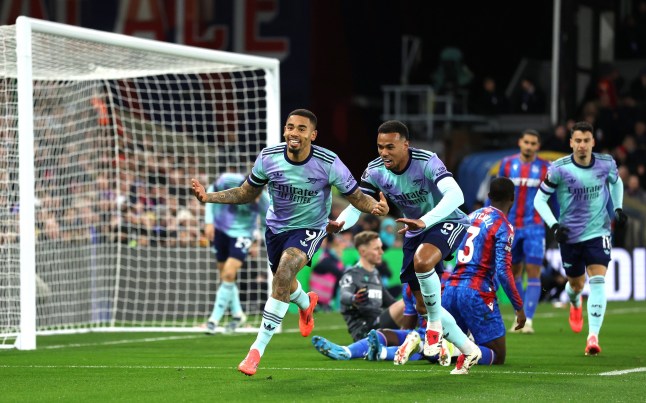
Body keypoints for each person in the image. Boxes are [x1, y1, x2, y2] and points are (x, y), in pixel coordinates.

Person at [191, 109, 389, 376]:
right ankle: (306, 303)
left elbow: (355, 196)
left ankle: (255, 352)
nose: (294, 133)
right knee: (283, 283)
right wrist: (208, 197)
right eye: (289, 127)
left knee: (284, 273)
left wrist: (375, 207)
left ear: (313, 135)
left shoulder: (328, 162)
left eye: (301, 128)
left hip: (310, 227)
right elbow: (245, 193)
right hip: (275, 229)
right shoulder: (268, 157)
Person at [328, 120, 479, 367]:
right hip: (414, 230)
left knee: (423, 262)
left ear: (405, 145)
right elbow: (359, 203)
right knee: (423, 304)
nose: (384, 153)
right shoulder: (375, 170)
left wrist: (425, 220)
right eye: (380, 147)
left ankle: (433, 330)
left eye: (390, 147)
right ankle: (469, 348)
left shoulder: (426, 161)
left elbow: (457, 196)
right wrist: (340, 222)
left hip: (447, 221)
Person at [533, 121, 627, 356]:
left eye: (586, 140)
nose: (582, 145)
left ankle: (592, 336)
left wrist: (617, 208)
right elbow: (539, 200)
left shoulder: (606, 163)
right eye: (578, 141)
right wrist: (554, 226)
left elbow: (617, 183)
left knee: (598, 281)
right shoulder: (559, 169)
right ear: (571, 143)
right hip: (570, 235)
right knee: (576, 284)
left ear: (593, 142)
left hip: (599, 232)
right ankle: (574, 301)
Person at [440, 177, 526, 368]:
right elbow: (503, 271)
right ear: (513, 198)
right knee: (498, 355)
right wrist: (518, 307)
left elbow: (449, 250)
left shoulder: (470, 216)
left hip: (451, 289)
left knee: (454, 339)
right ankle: (466, 353)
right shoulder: (504, 225)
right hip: (476, 291)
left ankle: (451, 349)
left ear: (488, 197)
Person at [496, 129, 551, 333]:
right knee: (514, 272)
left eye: (533, 143)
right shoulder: (507, 164)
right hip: (510, 226)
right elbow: (497, 190)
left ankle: (529, 320)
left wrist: (554, 222)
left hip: (535, 227)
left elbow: (552, 198)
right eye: (526, 142)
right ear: (520, 142)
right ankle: (521, 316)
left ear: (538, 146)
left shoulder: (546, 167)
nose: (529, 146)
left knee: (534, 272)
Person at [203, 171, 270, 334]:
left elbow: (266, 223)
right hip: (220, 230)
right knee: (226, 277)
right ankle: (238, 315)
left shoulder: (264, 200)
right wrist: (209, 221)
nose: (256, 198)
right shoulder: (228, 180)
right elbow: (211, 189)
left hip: (243, 234)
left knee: (228, 273)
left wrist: (257, 242)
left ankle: (213, 320)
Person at [338, 231, 404, 341]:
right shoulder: (352, 274)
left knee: (413, 306)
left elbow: (390, 302)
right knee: (406, 305)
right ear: (363, 251)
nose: (381, 252)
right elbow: (344, 296)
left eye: (381, 248)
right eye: (376, 249)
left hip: (379, 325)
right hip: (364, 331)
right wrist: (354, 298)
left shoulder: (375, 274)